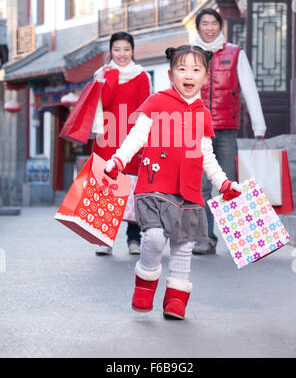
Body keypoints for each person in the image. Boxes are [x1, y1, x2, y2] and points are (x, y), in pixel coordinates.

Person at [104, 45, 242, 320]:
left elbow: (207, 155)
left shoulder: (203, 114)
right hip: (155, 185)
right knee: (154, 237)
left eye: (195, 69)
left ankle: (176, 300)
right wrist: (118, 160)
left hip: (188, 192)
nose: (188, 74)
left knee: (183, 245)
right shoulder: (157, 102)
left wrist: (224, 184)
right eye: (181, 69)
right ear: (170, 74)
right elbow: (136, 136)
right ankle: (145, 282)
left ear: (205, 77)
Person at [191, 8, 267, 256]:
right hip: (197, 130)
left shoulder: (235, 53)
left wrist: (259, 126)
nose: (210, 28)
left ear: (220, 26)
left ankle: (247, 240)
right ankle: (205, 239)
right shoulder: (189, 54)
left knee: (231, 184)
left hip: (225, 130)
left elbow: (249, 88)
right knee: (201, 186)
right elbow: (179, 89)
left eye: (214, 23)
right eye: (205, 23)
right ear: (198, 27)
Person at [92, 31, 151, 256]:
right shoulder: (102, 74)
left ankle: (133, 239)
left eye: (126, 49)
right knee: (108, 187)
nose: (122, 54)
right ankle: (104, 239)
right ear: (110, 51)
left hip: (132, 138)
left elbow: (145, 108)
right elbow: (104, 101)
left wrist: (142, 139)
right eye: (117, 50)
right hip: (107, 137)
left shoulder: (142, 75)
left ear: (132, 51)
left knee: (133, 188)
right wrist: (112, 76)